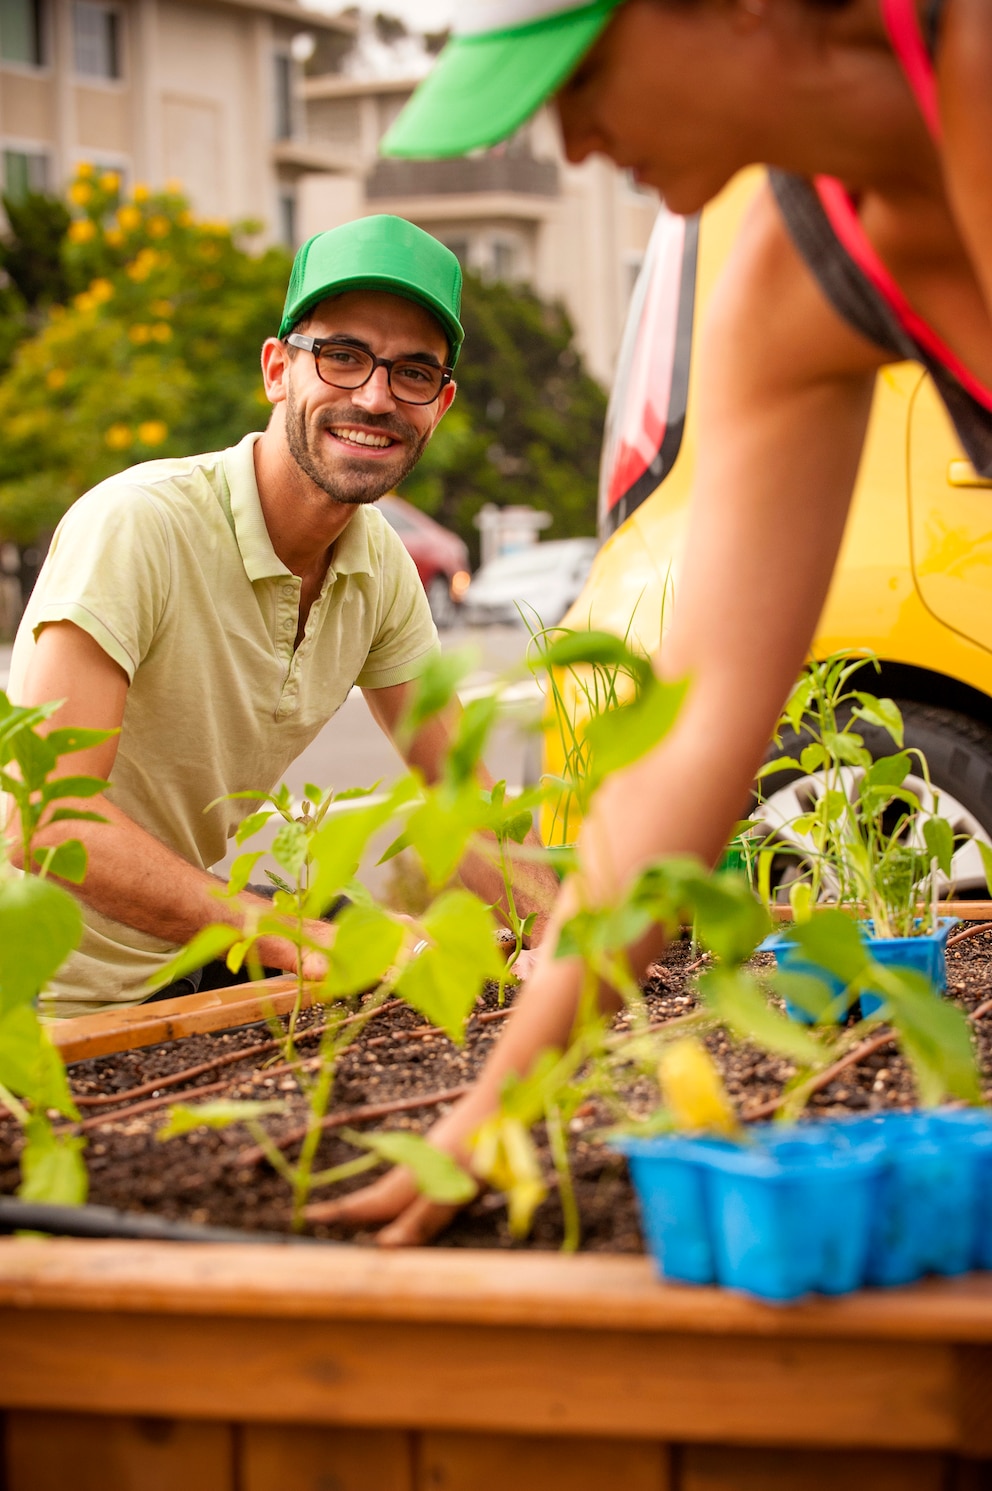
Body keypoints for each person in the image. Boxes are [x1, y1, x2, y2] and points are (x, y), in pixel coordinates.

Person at [307, 0, 992, 1242]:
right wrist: (490, 1109)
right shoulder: (792, 277)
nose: (570, 147)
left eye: (581, 78)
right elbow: (684, 742)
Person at [6, 214, 556, 1019]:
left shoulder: (381, 568)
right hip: (42, 1002)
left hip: (184, 964)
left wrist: (555, 932)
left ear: (440, 404)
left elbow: (457, 798)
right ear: (276, 370)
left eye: (411, 372)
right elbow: (45, 822)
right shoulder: (137, 525)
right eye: (342, 356)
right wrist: (289, 934)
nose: (374, 396)